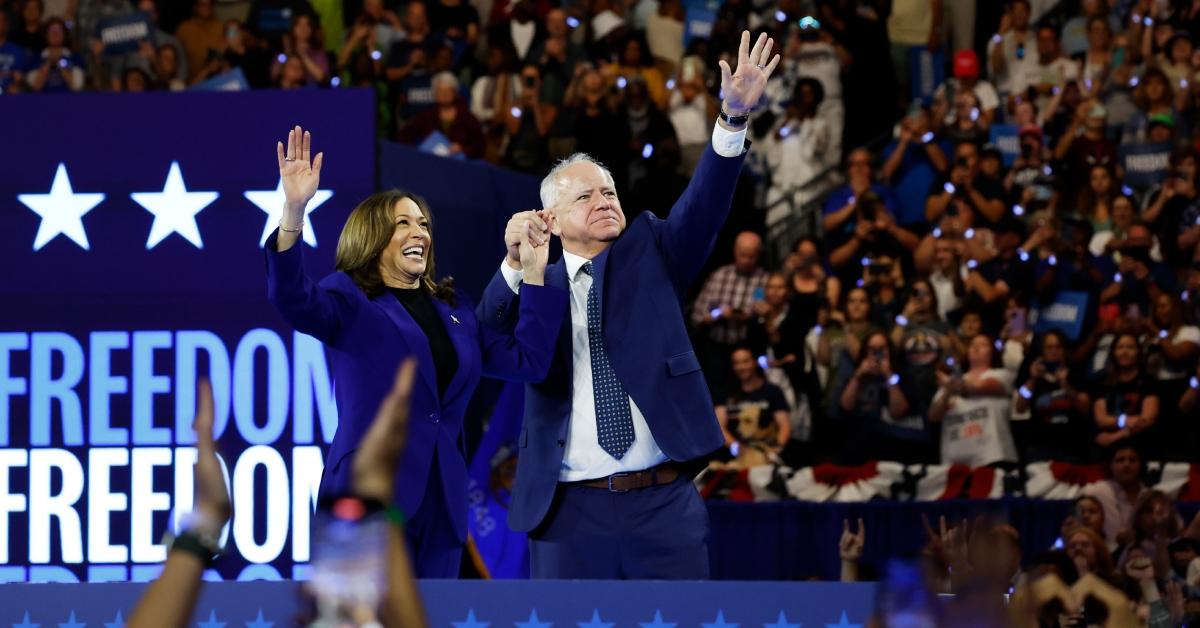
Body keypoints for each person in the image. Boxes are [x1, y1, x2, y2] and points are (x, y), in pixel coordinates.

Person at [479, 30, 779, 579]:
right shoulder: (533, 281)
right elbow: (487, 337)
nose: (604, 202)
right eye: (585, 196)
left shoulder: (652, 248)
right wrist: (510, 265)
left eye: (610, 192)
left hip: (662, 507)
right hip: (567, 512)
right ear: (550, 219)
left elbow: (704, 206)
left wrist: (731, 121)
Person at [264, 125, 568, 577]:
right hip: (368, 495)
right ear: (372, 237)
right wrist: (293, 211)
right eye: (402, 223)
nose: (419, 232)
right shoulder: (349, 299)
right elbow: (292, 298)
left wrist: (535, 274)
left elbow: (528, 360)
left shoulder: (453, 310)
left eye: (423, 223)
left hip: (442, 506)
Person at [929, 333, 1018, 467]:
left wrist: (955, 386)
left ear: (992, 352)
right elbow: (933, 416)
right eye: (972, 345)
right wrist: (947, 392)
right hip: (955, 461)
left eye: (983, 345)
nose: (976, 348)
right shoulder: (949, 384)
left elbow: (981, 387)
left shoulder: (1002, 375)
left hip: (993, 457)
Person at [715, 347, 791, 455]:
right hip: (739, 457)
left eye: (745, 361)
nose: (741, 367)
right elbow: (719, 427)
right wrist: (737, 449)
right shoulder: (726, 393)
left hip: (768, 452)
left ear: (754, 362)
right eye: (736, 363)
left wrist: (775, 451)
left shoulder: (771, 391)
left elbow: (785, 426)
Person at [1083, 442, 1148, 546]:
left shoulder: (1149, 496)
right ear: (1111, 465)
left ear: (1141, 465)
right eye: (1120, 460)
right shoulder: (1097, 492)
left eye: (1132, 460)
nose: (1126, 465)